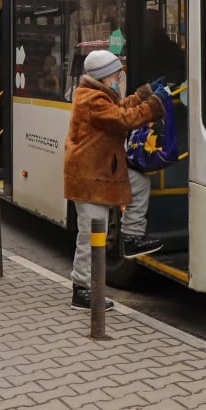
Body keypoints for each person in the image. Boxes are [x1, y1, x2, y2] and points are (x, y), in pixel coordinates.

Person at [63, 49, 167, 310]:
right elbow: (123, 119)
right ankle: (82, 289)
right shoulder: (91, 100)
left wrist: (143, 94)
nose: (120, 78)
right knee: (91, 233)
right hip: (89, 175)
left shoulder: (101, 94)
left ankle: (131, 237)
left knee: (140, 183)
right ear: (104, 76)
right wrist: (154, 105)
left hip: (104, 169)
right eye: (116, 74)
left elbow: (121, 106)